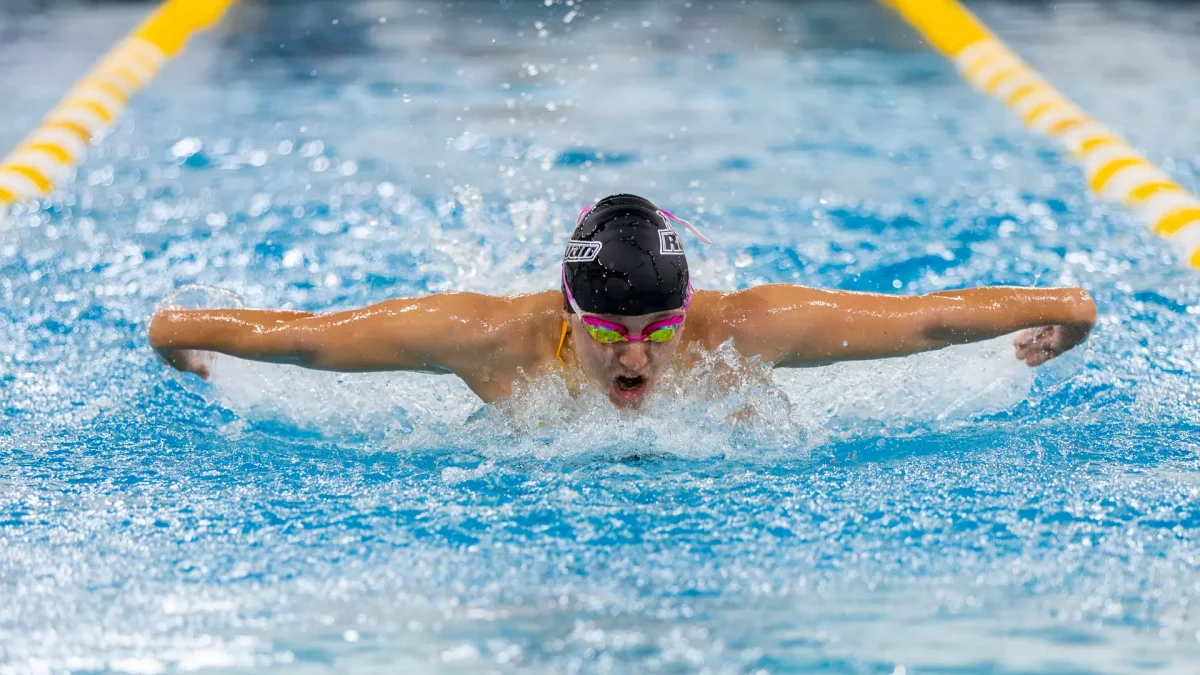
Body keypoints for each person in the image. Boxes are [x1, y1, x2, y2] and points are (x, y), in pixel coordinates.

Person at [149, 194, 1097, 410]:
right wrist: (182, 340)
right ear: (569, 314)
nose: (636, 356)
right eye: (609, 332)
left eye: (656, 330)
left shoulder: (745, 330)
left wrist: (1067, 312)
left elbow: (927, 315)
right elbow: (310, 342)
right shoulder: (490, 340)